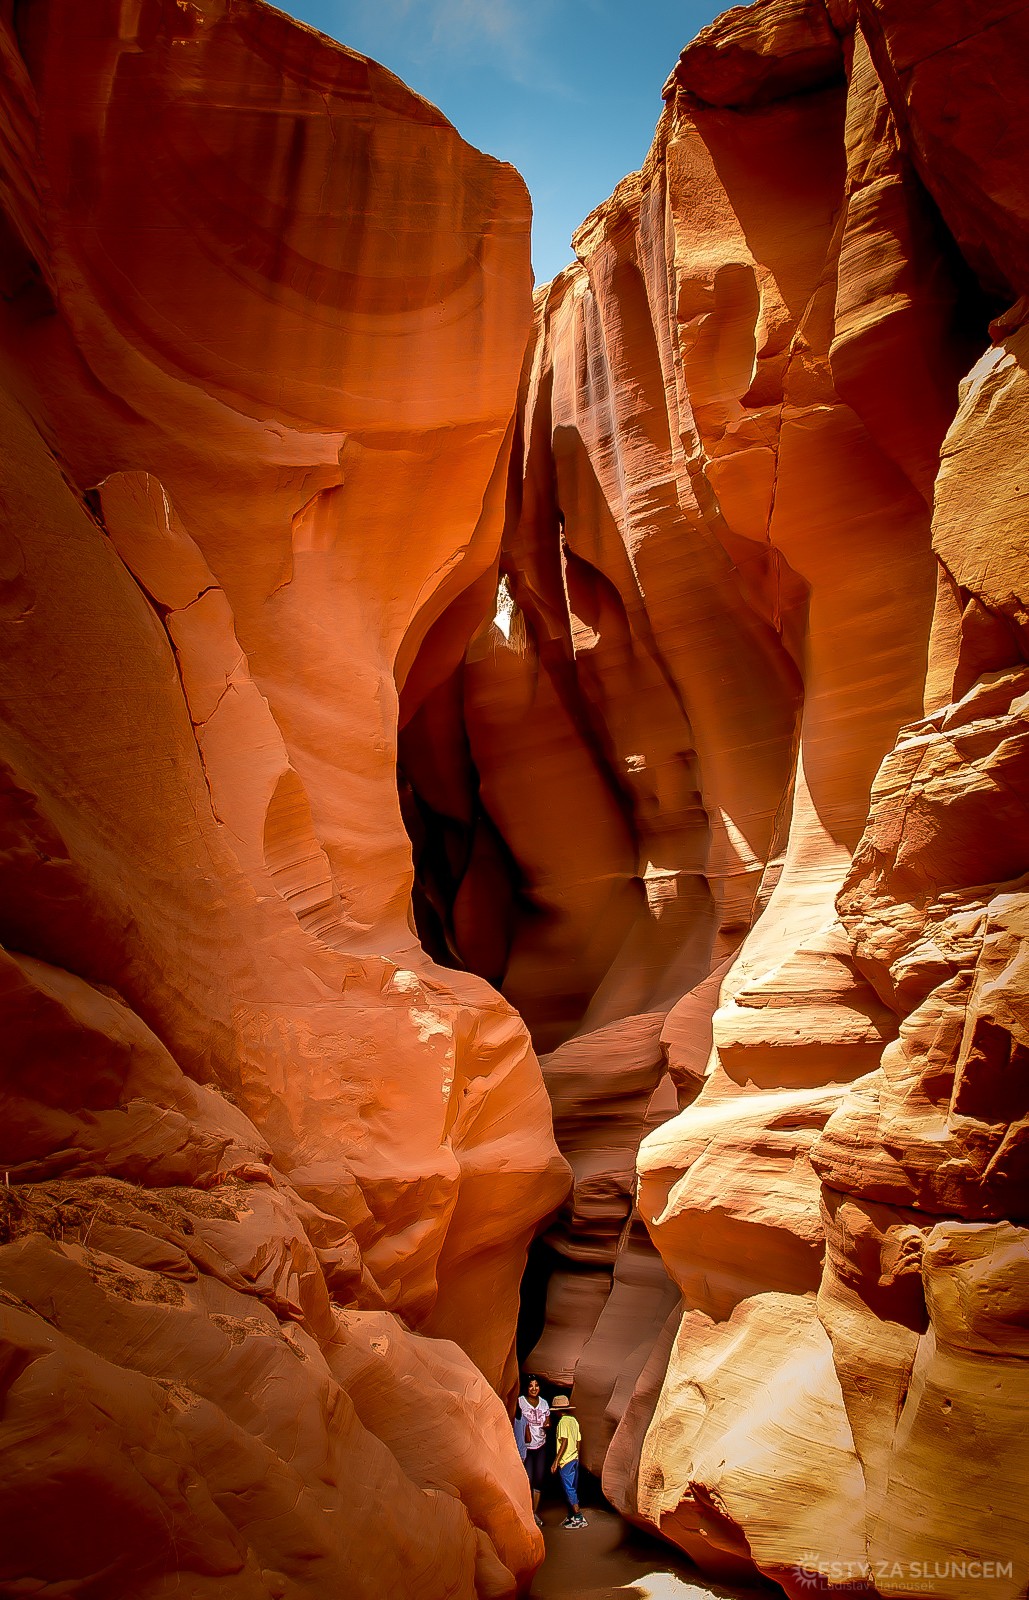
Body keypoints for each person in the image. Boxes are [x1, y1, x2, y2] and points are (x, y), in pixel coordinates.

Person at [549, 1393, 587, 1529]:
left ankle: (578, 1517)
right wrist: (577, 1457)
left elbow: (564, 1442)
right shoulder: (573, 1421)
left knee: (568, 1488)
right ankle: (571, 1516)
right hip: (574, 1459)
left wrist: (555, 1462)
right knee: (572, 1487)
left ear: (557, 1411)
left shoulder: (563, 1422)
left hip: (566, 1461)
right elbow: (578, 1441)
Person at [517, 1375, 550, 1527]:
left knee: (539, 1479)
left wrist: (547, 1424)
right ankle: (526, 1513)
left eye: (536, 1385)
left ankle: (534, 1513)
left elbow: (548, 1420)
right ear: (526, 1387)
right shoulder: (520, 1401)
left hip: (541, 1444)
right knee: (527, 1478)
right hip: (527, 1447)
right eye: (531, 1385)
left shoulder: (544, 1403)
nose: (534, 1388)